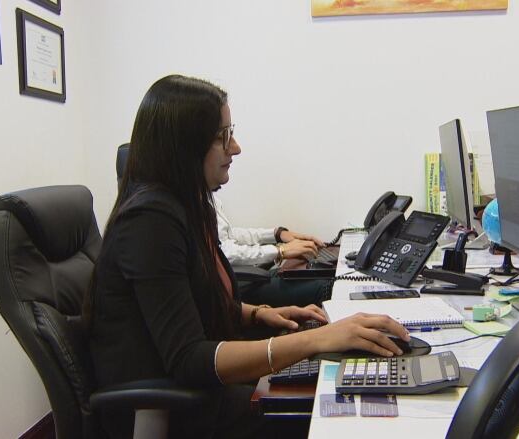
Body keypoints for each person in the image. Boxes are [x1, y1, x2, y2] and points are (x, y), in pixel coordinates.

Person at [85, 74, 409, 439]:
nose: (235, 148)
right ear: (186, 146)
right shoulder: (150, 222)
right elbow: (188, 359)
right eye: (223, 136)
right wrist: (317, 339)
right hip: (170, 411)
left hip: (199, 393)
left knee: (343, 381)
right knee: (350, 413)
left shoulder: (185, 207)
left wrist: (259, 313)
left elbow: (186, 304)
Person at [215, 197, 333, 307]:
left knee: (321, 275)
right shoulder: (197, 205)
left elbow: (229, 235)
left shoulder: (209, 197)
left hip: (243, 276)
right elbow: (223, 253)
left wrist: (277, 234)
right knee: (324, 286)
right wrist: (279, 251)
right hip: (230, 287)